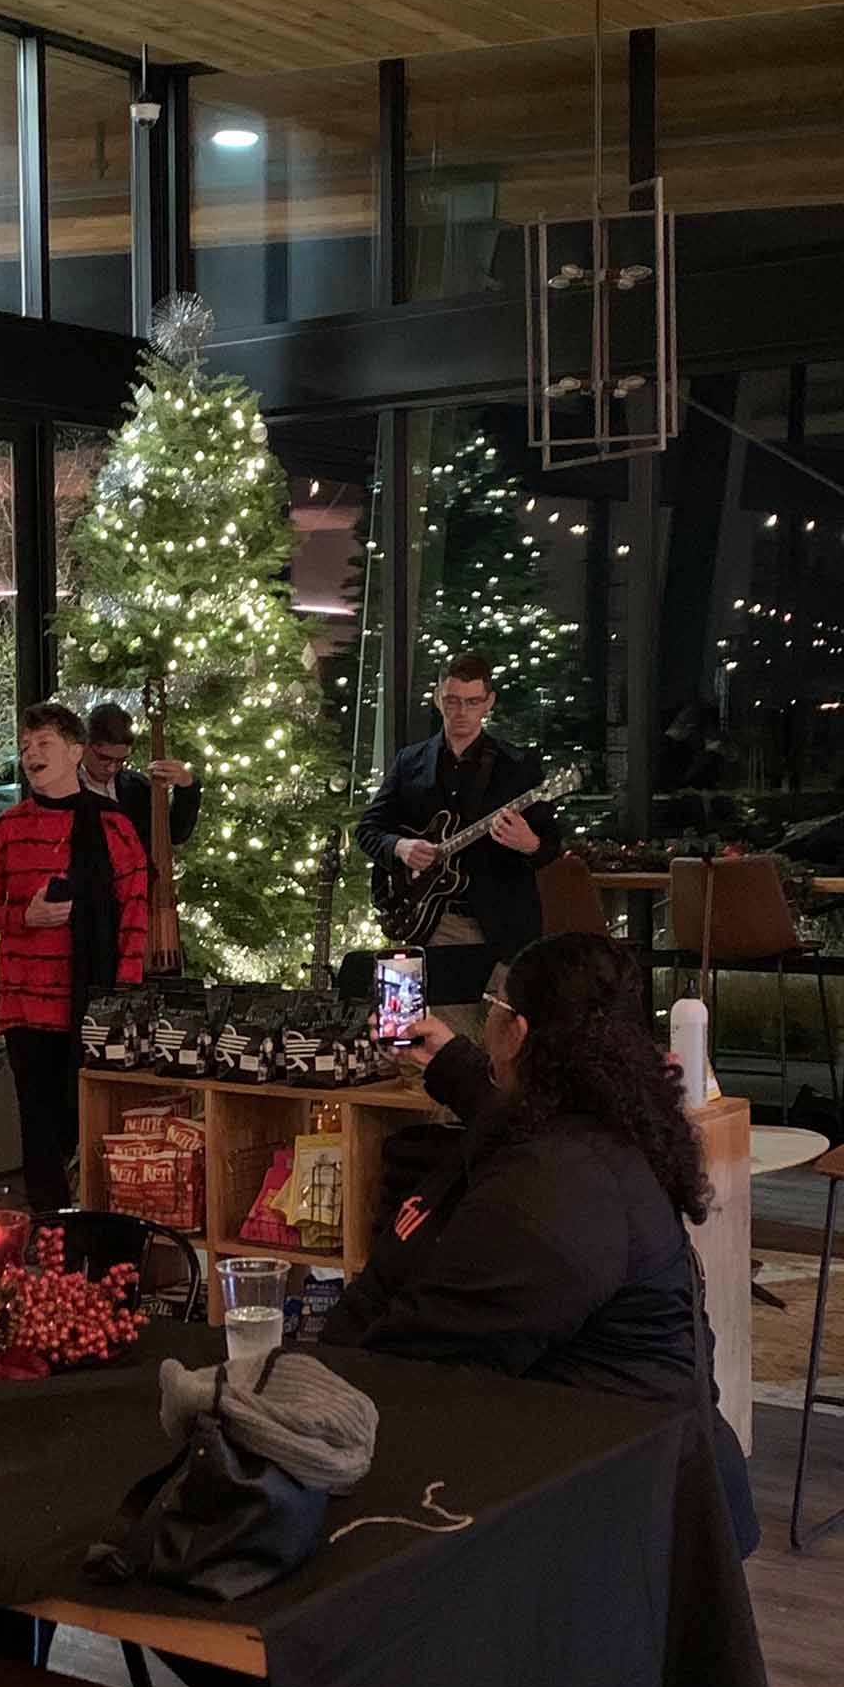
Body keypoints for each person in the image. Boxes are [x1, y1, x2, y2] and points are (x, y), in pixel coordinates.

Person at [322, 931, 759, 1557]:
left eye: (492, 1008)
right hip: (644, 1473)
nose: (487, 1019)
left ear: (518, 1032)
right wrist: (454, 1062)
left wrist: (305, 1391)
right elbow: (514, 1109)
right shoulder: (595, 1123)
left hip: (610, 1520)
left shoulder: (549, 1195)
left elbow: (421, 1358)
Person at [0, 702, 147, 1211]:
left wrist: (124, 997)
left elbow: (135, 912)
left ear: (75, 752)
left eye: (43, 744)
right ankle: (49, 1230)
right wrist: (24, 917)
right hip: (24, 1004)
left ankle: (92, 1224)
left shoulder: (113, 828)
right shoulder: (7, 828)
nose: (31, 755)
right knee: (37, 1127)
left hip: (89, 1003)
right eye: (25, 747)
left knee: (89, 1123)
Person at [354, 651, 559, 1025]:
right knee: (414, 1037)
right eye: (452, 701)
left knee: (492, 1044)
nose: (461, 711)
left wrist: (528, 842)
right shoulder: (409, 761)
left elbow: (550, 846)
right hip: (423, 921)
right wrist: (400, 848)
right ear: (437, 698)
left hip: (499, 928)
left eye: (472, 702)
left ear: (488, 702)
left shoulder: (517, 768)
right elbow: (368, 831)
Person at [81, 701, 201, 870]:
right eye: (104, 758)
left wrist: (187, 785)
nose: (112, 768)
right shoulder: (63, 787)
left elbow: (174, 833)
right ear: (84, 745)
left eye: (121, 760)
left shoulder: (135, 786)